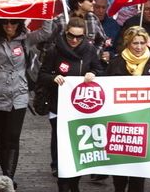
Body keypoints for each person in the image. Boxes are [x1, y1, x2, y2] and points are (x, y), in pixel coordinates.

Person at [0, 18, 53, 187]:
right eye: (5, 23)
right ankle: (6, 173)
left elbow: (46, 32)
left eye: (13, 23)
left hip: (19, 93)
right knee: (1, 136)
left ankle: (8, 178)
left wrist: (48, 12)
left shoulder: (26, 39)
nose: (9, 26)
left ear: (19, 24)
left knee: (13, 136)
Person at [39, 16, 101, 192]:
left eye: (79, 37)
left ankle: (74, 183)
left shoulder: (89, 50)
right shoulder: (54, 50)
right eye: (71, 36)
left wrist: (93, 74)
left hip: (81, 108)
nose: (74, 40)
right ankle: (63, 181)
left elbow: (100, 70)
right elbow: (42, 75)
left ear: (84, 36)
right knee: (62, 144)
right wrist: (53, 77)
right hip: (59, 106)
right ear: (65, 33)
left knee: (77, 146)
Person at [106, 26, 150, 192]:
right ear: (127, 43)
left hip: (144, 123)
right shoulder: (116, 62)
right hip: (120, 122)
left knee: (139, 168)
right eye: (135, 43)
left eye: (142, 43)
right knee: (120, 165)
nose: (139, 47)